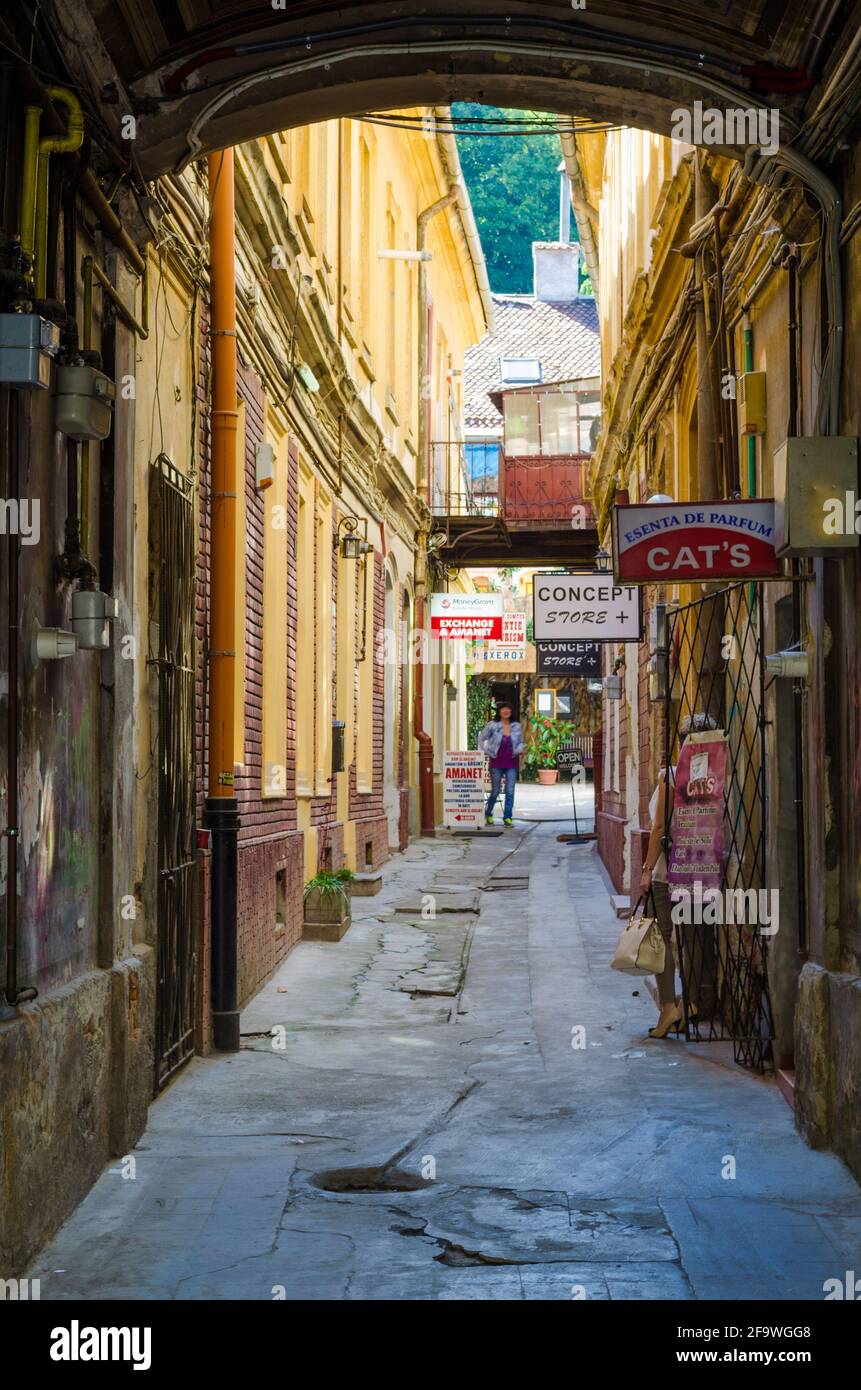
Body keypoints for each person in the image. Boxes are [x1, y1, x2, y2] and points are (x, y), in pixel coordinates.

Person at [639, 712, 717, 1039]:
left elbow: (659, 827)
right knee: (696, 936)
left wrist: (645, 869)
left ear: (683, 741)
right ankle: (692, 1002)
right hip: (701, 867)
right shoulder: (716, 778)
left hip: (666, 872)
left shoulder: (670, 776)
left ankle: (669, 1007)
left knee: (661, 939)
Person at [478, 702, 524, 827]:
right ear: (499, 711)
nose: (506, 711)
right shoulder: (492, 725)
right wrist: (487, 751)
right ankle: (488, 813)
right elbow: (481, 739)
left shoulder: (516, 726)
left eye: (508, 708)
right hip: (496, 762)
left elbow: (520, 742)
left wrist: (520, 748)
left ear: (511, 711)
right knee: (495, 791)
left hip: (511, 763)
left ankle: (507, 817)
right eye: (503, 708)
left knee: (510, 790)